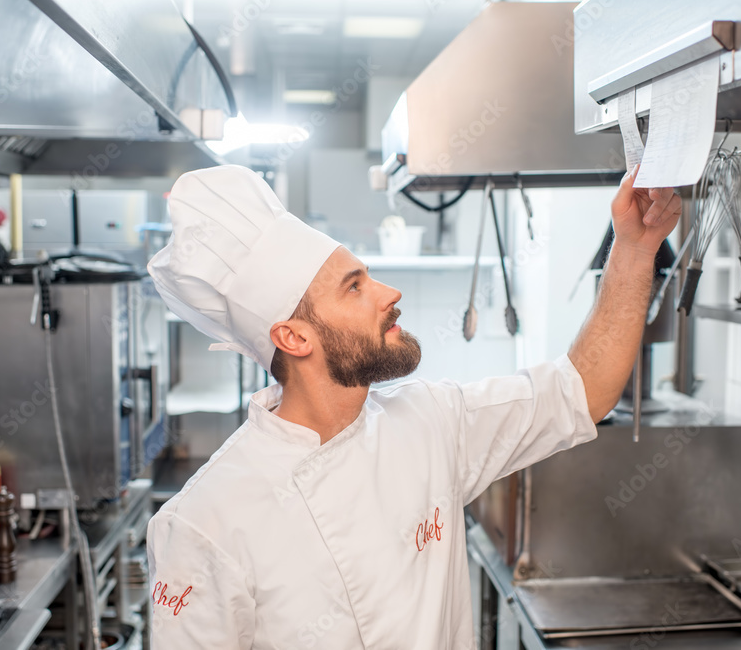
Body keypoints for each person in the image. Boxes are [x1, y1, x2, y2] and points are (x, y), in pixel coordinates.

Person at [146, 164, 680, 649]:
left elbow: (580, 390)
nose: (388, 292)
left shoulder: (431, 421)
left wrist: (635, 248)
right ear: (293, 337)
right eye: (354, 288)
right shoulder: (202, 523)